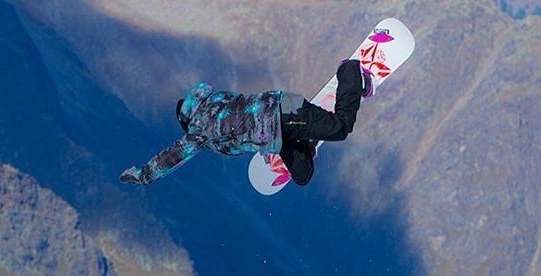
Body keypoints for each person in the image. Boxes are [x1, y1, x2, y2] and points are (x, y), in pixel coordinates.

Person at [119, 59, 374, 188]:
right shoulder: (213, 100)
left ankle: (350, 71)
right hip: (278, 126)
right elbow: (242, 124)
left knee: (340, 128)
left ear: (187, 123)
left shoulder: (199, 131)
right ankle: (306, 139)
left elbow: (171, 157)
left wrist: (144, 176)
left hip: (283, 114)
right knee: (302, 176)